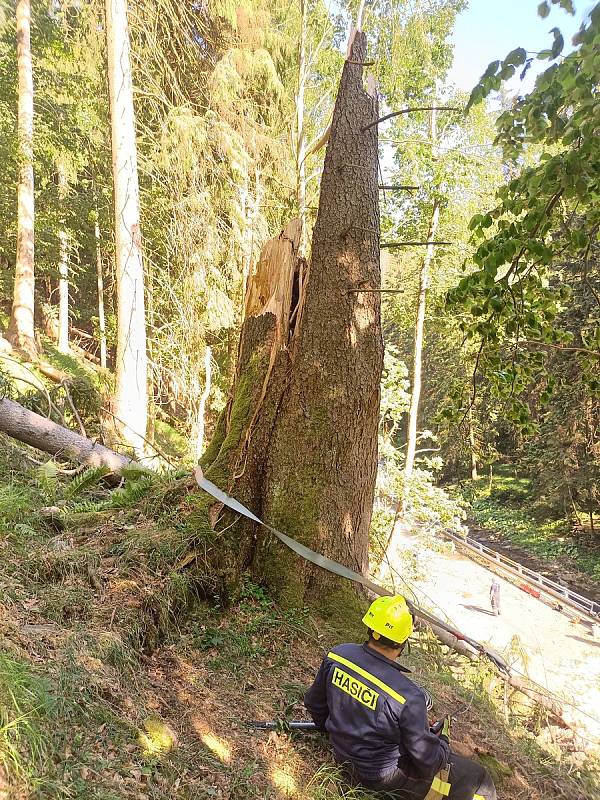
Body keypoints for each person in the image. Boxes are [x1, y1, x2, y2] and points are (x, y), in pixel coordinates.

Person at [305, 595, 496, 800]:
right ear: (404, 640)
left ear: (371, 627)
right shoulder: (409, 697)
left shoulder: (337, 655)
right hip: (381, 778)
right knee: (479, 779)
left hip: (341, 755)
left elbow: (314, 704)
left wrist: (338, 736)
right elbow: (428, 762)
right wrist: (442, 742)